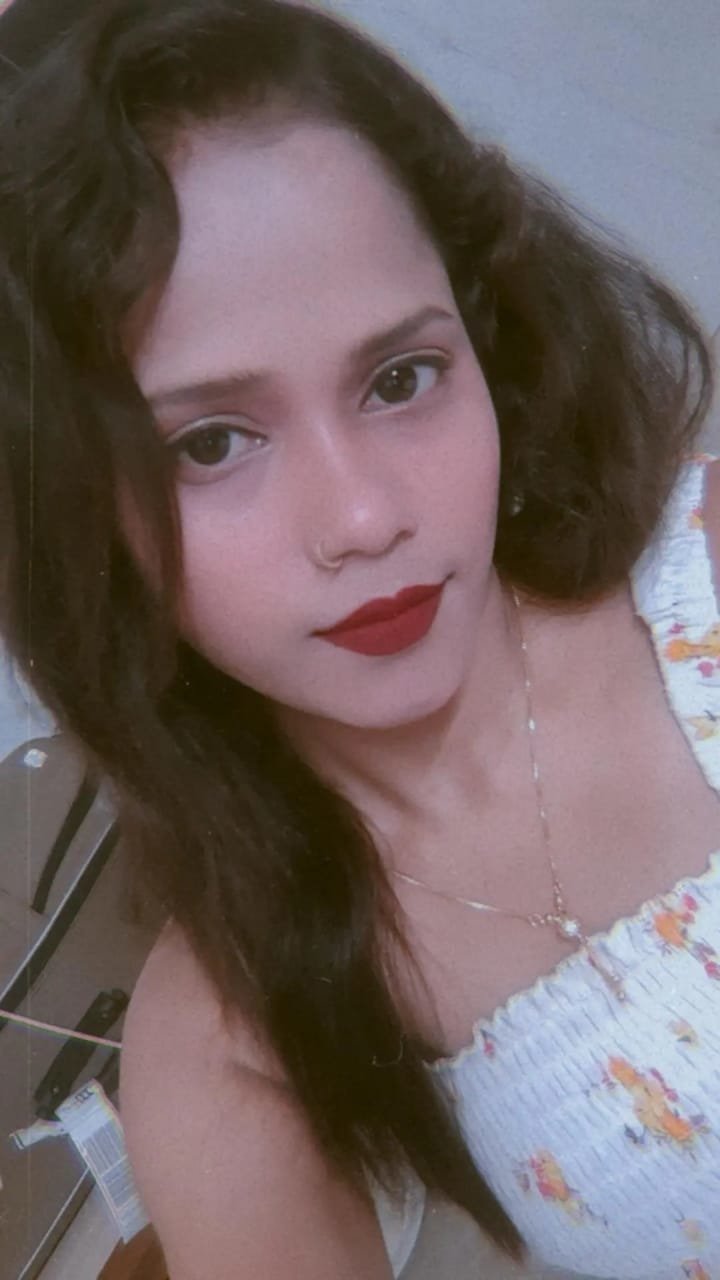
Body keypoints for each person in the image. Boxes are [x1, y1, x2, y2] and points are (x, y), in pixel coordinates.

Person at [0, 2, 718, 1276]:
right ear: (71, 513)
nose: (364, 517)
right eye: (209, 443)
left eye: (401, 377)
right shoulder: (234, 1035)